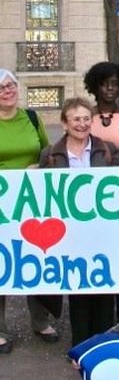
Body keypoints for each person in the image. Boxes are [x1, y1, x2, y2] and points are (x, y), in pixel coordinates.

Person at [39, 97, 119, 347]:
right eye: (76, 119)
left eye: (85, 119)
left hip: (103, 233)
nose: (82, 124)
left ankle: (102, 344)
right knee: (78, 291)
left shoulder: (107, 150)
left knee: (104, 289)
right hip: (70, 234)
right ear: (65, 124)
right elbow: (42, 195)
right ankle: (81, 346)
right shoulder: (49, 156)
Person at [0, 68, 62, 354]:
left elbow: (47, 151)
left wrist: (40, 166)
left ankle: (40, 320)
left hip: (32, 199)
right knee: (3, 261)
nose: (6, 91)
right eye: (1, 88)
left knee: (36, 257)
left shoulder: (31, 117)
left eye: (10, 85)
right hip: (2, 202)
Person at [84, 61, 119, 321]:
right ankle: (99, 313)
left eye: (115, 83)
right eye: (104, 82)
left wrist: (102, 151)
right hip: (86, 195)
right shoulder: (85, 115)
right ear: (94, 85)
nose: (110, 88)